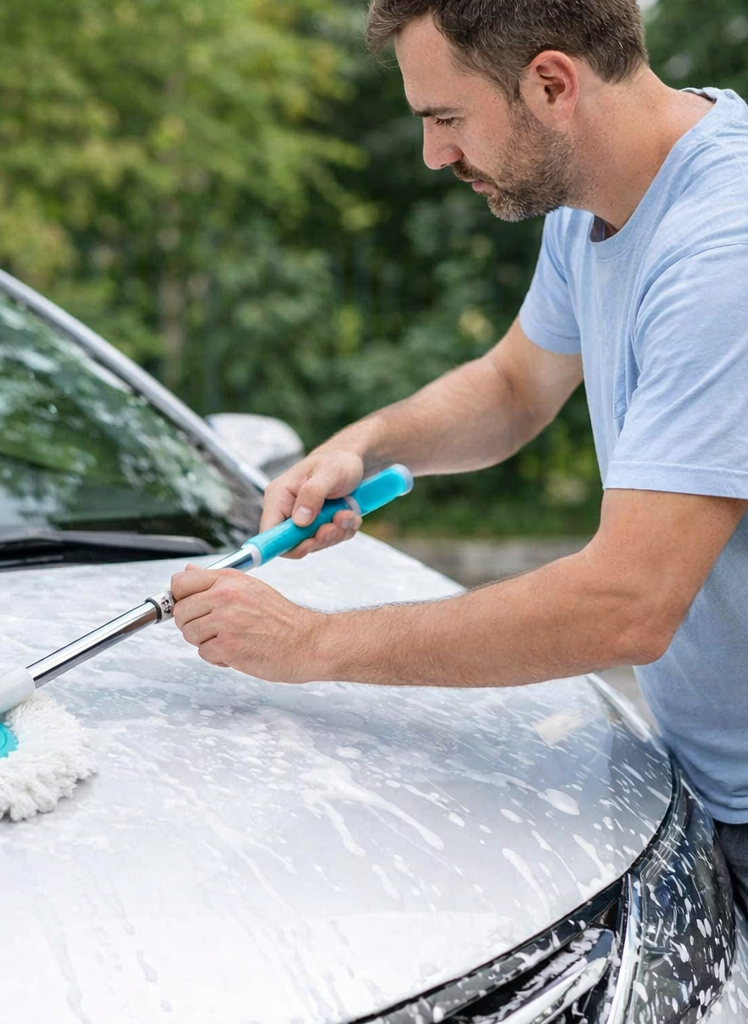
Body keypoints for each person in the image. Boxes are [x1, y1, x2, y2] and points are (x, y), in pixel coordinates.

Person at [170, 0, 748, 896]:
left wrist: (313, 644)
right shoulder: (592, 204)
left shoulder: (724, 250)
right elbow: (516, 387)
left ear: (553, 84)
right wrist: (365, 443)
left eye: (445, 118)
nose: (434, 155)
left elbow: (626, 606)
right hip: (704, 786)